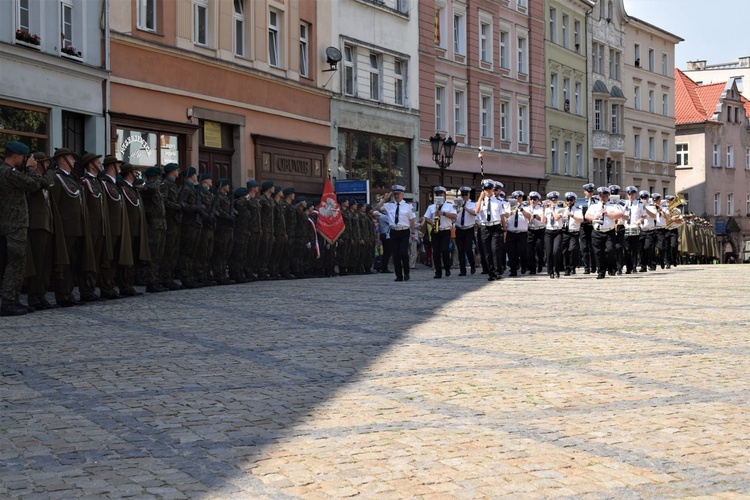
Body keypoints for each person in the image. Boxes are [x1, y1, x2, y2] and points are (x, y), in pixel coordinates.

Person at [0, 142, 42, 315]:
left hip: (14, 224)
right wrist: (31, 168)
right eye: (24, 157)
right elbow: (34, 184)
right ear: (15, 156)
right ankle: (8, 302)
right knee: (14, 264)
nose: (26, 160)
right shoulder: (7, 173)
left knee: (19, 263)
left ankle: (14, 300)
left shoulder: (9, 173)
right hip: (14, 225)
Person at [49, 147, 93, 306]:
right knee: (63, 263)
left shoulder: (71, 179)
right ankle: (62, 295)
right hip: (65, 228)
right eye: (71, 158)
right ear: (62, 160)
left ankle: (68, 293)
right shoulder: (57, 178)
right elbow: (55, 205)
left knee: (74, 262)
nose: (74, 161)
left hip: (77, 227)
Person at [25, 152, 63, 310]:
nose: (48, 165)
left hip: (48, 224)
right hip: (37, 225)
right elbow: (43, 183)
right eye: (46, 162)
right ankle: (34, 297)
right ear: (39, 163)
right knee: (38, 264)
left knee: (46, 265)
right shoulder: (33, 178)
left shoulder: (43, 179)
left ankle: (41, 295)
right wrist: (50, 172)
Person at [99, 155, 129, 299]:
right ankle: (106, 287)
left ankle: (110, 285)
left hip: (118, 226)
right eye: (118, 165)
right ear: (111, 166)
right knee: (108, 258)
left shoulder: (115, 184)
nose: (119, 168)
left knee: (115, 258)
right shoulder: (104, 183)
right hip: (110, 226)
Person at [118, 162, 150, 295]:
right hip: (128, 228)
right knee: (127, 259)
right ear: (129, 173)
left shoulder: (132, 189)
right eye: (134, 171)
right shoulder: (123, 188)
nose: (136, 174)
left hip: (136, 228)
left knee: (134, 258)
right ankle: (125, 286)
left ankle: (129, 285)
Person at [375, 184, 416, 282]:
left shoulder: (408, 206)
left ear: (402, 195)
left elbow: (412, 220)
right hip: (394, 231)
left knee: (403, 253)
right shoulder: (389, 206)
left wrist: (413, 232)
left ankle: (406, 273)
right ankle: (398, 275)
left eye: (398, 194)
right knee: (396, 254)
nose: (396, 196)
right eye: (395, 194)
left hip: (404, 231)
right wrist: (384, 199)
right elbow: (377, 207)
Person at [585, 186, 625, 279]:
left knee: (610, 250)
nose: (603, 198)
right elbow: (586, 215)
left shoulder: (613, 205)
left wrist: (608, 214)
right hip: (597, 232)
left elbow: (619, 215)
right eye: (601, 196)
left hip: (609, 232)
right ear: (599, 196)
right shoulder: (594, 206)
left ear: (608, 196)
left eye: (605, 196)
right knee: (598, 253)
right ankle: (601, 271)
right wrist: (594, 217)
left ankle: (611, 267)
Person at [141, 166, 168, 293]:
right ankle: (150, 281)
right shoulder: (148, 187)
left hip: (161, 224)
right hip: (153, 224)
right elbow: (149, 189)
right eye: (157, 177)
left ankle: (156, 279)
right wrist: (157, 182)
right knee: (153, 254)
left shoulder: (156, 189)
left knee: (159, 254)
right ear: (153, 177)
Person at [423, 186, 457, 279]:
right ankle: (438, 272)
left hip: (445, 230)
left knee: (445, 250)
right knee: (436, 252)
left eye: (441, 194)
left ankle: (447, 268)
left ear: (444, 195)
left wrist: (444, 213)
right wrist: (433, 223)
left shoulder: (450, 205)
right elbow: (426, 217)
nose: (439, 196)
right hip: (435, 230)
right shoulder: (431, 206)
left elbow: (454, 216)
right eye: (437, 194)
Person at [475, 178, 505, 281]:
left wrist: (504, 229)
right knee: (487, 251)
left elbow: (502, 216)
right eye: (486, 188)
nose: (488, 190)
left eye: (489, 188)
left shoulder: (498, 201)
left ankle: (497, 271)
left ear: (493, 189)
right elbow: (476, 211)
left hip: (496, 226)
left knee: (495, 249)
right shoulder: (481, 201)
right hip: (485, 227)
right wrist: (480, 198)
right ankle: (491, 272)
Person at [177, 167, 203, 288]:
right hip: (188, 224)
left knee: (193, 251)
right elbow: (181, 204)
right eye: (195, 175)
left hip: (195, 223)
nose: (196, 176)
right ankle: (185, 277)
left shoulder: (193, 188)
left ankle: (190, 275)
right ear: (191, 176)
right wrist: (195, 208)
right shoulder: (185, 188)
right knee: (187, 252)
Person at [159, 163, 183, 290]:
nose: (178, 172)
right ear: (172, 171)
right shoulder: (166, 184)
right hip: (169, 221)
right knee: (168, 251)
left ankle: (169, 277)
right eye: (177, 170)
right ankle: (165, 278)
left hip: (175, 222)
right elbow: (163, 201)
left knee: (173, 251)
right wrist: (176, 206)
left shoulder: (174, 184)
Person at [211, 178, 235, 284]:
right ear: (222, 186)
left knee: (226, 252)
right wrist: (227, 216)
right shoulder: (217, 197)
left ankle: (223, 273)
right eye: (227, 185)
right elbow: (217, 210)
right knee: (220, 252)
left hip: (228, 228)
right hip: (221, 228)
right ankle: (219, 274)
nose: (228, 187)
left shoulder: (226, 198)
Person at [505, 191, 530, 277]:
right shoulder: (508, 207)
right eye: (516, 198)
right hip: (511, 232)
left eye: (519, 198)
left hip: (522, 233)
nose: (517, 200)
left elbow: (529, 216)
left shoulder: (526, 207)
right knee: (511, 253)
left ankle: (524, 265)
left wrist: (521, 209)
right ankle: (513, 270)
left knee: (522, 252)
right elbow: (505, 216)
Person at [454, 186, 477, 276]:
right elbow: (454, 215)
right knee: (460, 250)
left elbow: (475, 213)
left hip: (469, 228)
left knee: (468, 248)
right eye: (462, 194)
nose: (464, 196)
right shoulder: (457, 204)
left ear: (469, 194)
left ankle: (472, 265)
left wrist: (465, 208)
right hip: (459, 228)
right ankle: (462, 270)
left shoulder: (473, 203)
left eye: (466, 194)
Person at [623, 186, 645, 274]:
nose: (630, 196)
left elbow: (644, 215)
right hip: (626, 228)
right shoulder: (623, 203)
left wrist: (640, 220)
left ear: (635, 194)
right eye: (629, 194)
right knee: (627, 249)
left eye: (632, 194)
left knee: (634, 249)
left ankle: (634, 267)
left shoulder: (639, 204)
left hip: (635, 227)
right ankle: (629, 268)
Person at [542, 191, 563, 279]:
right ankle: (550, 271)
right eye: (551, 200)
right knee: (549, 252)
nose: (553, 201)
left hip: (558, 231)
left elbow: (557, 218)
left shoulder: (561, 209)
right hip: (549, 231)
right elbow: (543, 221)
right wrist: (543, 211)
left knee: (556, 251)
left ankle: (557, 269)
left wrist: (552, 210)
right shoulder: (546, 210)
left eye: (555, 200)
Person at [561, 192, 583, 276]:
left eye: (571, 200)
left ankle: (572, 266)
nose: (569, 202)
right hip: (565, 232)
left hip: (574, 232)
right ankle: (567, 268)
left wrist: (572, 215)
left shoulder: (577, 210)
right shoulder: (563, 209)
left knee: (573, 250)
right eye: (568, 200)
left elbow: (581, 220)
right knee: (565, 251)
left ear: (574, 201)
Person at [256, 180, 275, 280]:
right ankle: (261, 270)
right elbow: (259, 215)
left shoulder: (271, 200)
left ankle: (265, 268)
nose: (274, 188)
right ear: (268, 188)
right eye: (272, 186)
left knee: (268, 251)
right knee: (263, 251)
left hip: (270, 229)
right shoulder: (261, 199)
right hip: (264, 228)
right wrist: (261, 228)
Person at [526, 191, 545, 275]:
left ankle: (540, 263)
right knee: (530, 251)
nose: (532, 201)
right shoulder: (526, 208)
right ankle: (532, 268)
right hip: (530, 230)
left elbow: (544, 220)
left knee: (539, 249)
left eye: (534, 199)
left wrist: (538, 217)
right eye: (531, 199)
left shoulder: (541, 209)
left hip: (540, 230)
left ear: (538, 200)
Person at [580, 183, 596, 274]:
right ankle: (587, 267)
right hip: (584, 226)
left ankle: (594, 266)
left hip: (593, 226)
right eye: (587, 191)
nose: (589, 193)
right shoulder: (581, 202)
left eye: (591, 191)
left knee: (593, 247)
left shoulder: (596, 201)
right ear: (584, 192)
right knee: (584, 248)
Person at [638, 190, 656, 273]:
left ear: (648, 198)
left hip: (650, 230)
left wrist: (646, 210)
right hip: (641, 230)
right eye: (642, 198)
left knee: (648, 247)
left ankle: (652, 263)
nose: (643, 199)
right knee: (641, 249)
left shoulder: (651, 205)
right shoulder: (637, 205)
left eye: (645, 197)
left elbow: (654, 215)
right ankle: (643, 266)